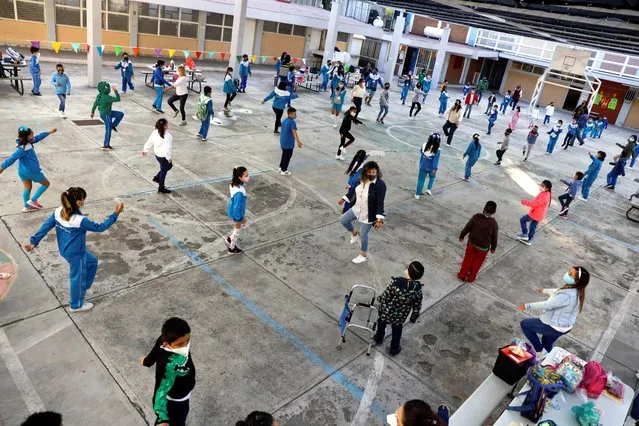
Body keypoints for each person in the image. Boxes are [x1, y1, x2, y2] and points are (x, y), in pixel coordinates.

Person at [24, 187, 123, 312]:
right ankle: (76, 305)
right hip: (77, 253)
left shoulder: (58, 211)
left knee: (92, 262)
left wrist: (33, 242)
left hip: (65, 249)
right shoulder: (80, 220)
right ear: (79, 202)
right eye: (83, 199)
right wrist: (115, 214)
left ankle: (85, 287)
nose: (84, 201)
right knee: (77, 278)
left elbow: (46, 226)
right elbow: (100, 227)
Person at [517, 266, 590, 355]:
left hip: (555, 327)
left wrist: (526, 306)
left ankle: (539, 351)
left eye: (570, 274)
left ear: (577, 281)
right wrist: (544, 291)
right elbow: (557, 291)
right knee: (546, 342)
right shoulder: (577, 290)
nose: (567, 274)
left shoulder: (567, 295)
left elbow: (547, 305)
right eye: (569, 271)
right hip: (565, 327)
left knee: (525, 324)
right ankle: (547, 359)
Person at [140, 317, 195, 426]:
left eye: (187, 340)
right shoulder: (168, 366)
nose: (185, 345)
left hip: (183, 391)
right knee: (177, 420)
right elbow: (160, 390)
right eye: (180, 344)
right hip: (177, 400)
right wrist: (162, 418)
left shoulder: (164, 340)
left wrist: (146, 361)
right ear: (167, 344)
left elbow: (154, 354)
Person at [338, 161, 386, 264]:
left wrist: (379, 220)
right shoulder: (361, 179)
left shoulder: (380, 185)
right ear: (365, 171)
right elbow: (353, 190)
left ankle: (363, 254)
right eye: (370, 172)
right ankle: (354, 233)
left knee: (363, 234)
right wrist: (344, 198)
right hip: (356, 209)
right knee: (343, 220)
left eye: (374, 172)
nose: (372, 174)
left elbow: (380, 202)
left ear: (377, 171)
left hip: (369, 214)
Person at [0, 126, 57, 211]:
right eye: (31, 135)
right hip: (32, 171)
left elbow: (38, 138)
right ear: (27, 137)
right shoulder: (22, 149)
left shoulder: (26, 142)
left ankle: (27, 207)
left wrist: (49, 132)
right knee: (46, 184)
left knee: (27, 188)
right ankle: (32, 201)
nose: (33, 136)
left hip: (22, 171)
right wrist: (1, 168)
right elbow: (11, 159)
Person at [374, 261, 424, 356]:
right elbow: (417, 306)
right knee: (397, 330)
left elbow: (386, 296)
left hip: (386, 311)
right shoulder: (417, 291)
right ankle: (394, 348)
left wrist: (380, 299)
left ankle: (379, 338)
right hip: (400, 316)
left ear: (408, 272)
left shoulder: (396, 283)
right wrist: (413, 317)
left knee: (381, 324)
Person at [458, 201, 498, 283]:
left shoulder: (476, 217)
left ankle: (462, 275)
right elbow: (495, 237)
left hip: (471, 243)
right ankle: (471, 277)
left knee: (467, 259)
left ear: (484, 209)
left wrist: (462, 235)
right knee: (478, 262)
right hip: (483, 248)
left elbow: (467, 227)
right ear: (494, 212)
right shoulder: (494, 223)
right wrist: (493, 247)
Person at [143, 118, 173, 194]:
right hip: (163, 157)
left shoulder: (155, 132)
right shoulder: (168, 136)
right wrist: (168, 158)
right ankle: (161, 188)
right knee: (164, 171)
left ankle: (157, 178)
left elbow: (149, 142)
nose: (169, 124)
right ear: (165, 126)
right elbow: (167, 149)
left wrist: (145, 150)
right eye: (167, 123)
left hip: (157, 155)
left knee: (168, 167)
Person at [518, 180, 552, 246]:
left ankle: (525, 234)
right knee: (532, 227)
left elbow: (535, 204)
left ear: (547, 188)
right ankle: (529, 239)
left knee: (522, 220)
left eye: (542, 186)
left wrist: (525, 202)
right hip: (540, 215)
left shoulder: (544, 196)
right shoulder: (547, 193)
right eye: (541, 185)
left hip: (535, 214)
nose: (540, 187)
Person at [90, 81, 123, 150]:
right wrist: (115, 91)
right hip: (106, 115)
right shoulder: (107, 97)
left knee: (120, 114)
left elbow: (95, 104)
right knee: (108, 129)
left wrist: (92, 112)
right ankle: (106, 145)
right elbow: (118, 99)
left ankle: (113, 125)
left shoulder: (99, 95)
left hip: (107, 113)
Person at [225, 166, 249, 255]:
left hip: (237, 211)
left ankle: (229, 239)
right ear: (239, 177)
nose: (248, 177)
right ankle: (231, 248)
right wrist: (238, 218)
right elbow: (237, 206)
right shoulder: (239, 193)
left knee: (244, 223)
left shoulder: (234, 183)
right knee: (236, 230)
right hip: (237, 213)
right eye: (246, 176)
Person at [415, 133, 441, 198]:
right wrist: (435, 168)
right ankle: (428, 189)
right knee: (432, 178)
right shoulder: (437, 149)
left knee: (421, 180)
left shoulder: (424, 145)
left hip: (423, 165)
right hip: (431, 167)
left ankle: (417, 194)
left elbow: (421, 152)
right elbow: (436, 160)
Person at [278, 108, 303, 176]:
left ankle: (281, 167)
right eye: (294, 114)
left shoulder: (284, 121)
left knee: (284, 155)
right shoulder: (292, 122)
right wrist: (298, 142)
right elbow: (294, 132)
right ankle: (284, 170)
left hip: (283, 141)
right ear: (290, 114)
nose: (296, 115)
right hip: (288, 143)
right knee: (287, 156)